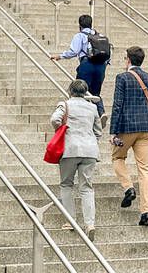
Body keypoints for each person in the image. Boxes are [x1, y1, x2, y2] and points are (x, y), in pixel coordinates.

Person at [109, 46, 148, 227]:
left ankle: (128, 187)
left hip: (127, 127)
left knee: (117, 157)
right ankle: (146, 212)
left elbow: (117, 105)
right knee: (145, 169)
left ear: (128, 60)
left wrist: (113, 132)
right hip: (147, 128)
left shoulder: (122, 78)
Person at [50, 80, 101, 241]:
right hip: (90, 150)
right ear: (85, 92)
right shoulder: (92, 107)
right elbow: (98, 131)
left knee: (66, 184)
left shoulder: (64, 105)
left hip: (70, 150)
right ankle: (90, 223)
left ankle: (70, 220)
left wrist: (63, 130)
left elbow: (54, 120)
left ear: (70, 91)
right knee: (86, 187)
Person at [51, 15, 110, 121]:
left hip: (87, 65)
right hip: (101, 66)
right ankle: (101, 113)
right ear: (91, 24)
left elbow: (74, 51)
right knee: (95, 93)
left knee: (80, 91)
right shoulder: (100, 35)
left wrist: (60, 56)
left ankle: (81, 116)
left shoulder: (80, 36)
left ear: (80, 25)